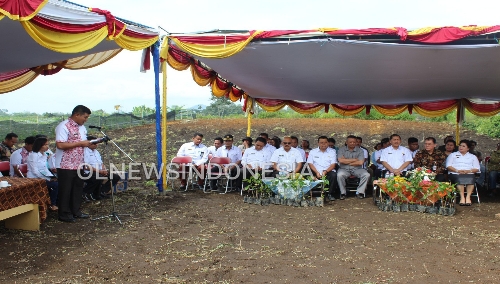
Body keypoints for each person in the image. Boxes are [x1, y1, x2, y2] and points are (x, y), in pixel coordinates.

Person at [55, 105, 93, 223]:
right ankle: (64, 214)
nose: (85, 120)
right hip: (66, 164)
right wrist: (80, 143)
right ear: (77, 114)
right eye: (85, 117)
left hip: (79, 163)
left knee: (77, 188)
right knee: (66, 190)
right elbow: (60, 145)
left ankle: (76, 211)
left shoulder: (82, 128)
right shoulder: (63, 126)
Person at [82, 136, 120, 201]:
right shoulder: (85, 152)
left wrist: (103, 169)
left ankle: (102, 191)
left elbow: (101, 163)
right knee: (98, 177)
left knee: (115, 177)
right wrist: (100, 172)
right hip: (89, 172)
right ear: (89, 143)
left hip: (99, 171)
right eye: (94, 143)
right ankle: (85, 193)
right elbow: (86, 167)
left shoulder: (96, 152)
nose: (96, 145)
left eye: (97, 143)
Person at [27, 137, 59, 211]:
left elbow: (45, 169)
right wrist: (47, 179)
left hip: (43, 177)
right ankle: (52, 204)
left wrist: (51, 177)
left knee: (58, 182)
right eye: (45, 145)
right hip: (34, 178)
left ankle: (56, 202)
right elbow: (35, 171)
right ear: (40, 145)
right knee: (55, 185)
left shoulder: (44, 155)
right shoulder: (33, 155)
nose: (47, 146)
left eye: (47, 144)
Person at [446, 139, 480, 206]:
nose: (461, 147)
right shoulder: (453, 155)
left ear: (468, 148)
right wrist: (457, 170)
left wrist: (468, 171)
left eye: (463, 146)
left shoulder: (473, 157)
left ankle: (468, 197)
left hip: (469, 173)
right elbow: (448, 166)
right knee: (460, 178)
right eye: (460, 145)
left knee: (471, 178)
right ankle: (462, 197)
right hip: (455, 173)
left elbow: (477, 168)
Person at [307, 136, 337, 201]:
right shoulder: (313, 151)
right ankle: (308, 193)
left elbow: (333, 164)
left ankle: (330, 194)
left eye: (325, 142)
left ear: (328, 143)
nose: (323, 144)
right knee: (306, 174)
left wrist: (326, 171)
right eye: (321, 142)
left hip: (328, 171)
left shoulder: (332, 151)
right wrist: (317, 172)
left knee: (333, 175)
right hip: (315, 171)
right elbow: (310, 163)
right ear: (318, 143)